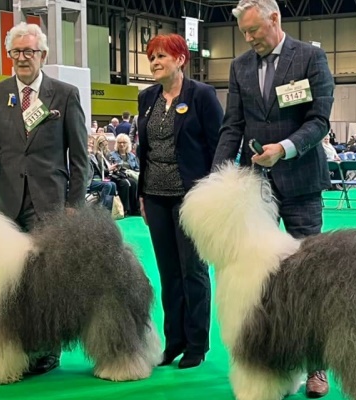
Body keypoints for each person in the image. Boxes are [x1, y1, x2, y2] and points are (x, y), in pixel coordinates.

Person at [211, 0, 334, 397]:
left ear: (274, 19)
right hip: (256, 190)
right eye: (244, 33)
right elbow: (233, 125)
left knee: (308, 279)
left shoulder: (310, 57)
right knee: (258, 282)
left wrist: (284, 148)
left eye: (254, 30)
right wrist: (217, 178)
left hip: (301, 185)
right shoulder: (240, 67)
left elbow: (319, 120)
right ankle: (268, 361)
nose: (249, 39)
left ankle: (315, 367)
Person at [0, 22, 89, 376]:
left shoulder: (64, 94)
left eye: (29, 51)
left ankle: (48, 350)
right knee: (9, 283)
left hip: (50, 205)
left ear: (43, 55)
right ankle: (15, 347)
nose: (22, 58)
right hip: (6, 205)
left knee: (46, 282)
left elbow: (80, 158)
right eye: (16, 52)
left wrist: (74, 205)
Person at [137, 33, 223, 369]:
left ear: (181, 59)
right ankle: (173, 341)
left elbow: (218, 147)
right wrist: (142, 195)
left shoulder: (202, 95)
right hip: (155, 197)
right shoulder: (147, 98)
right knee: (168, 272)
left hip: (192, 199)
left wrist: (213, 195)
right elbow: (145, 151)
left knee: (193, 271)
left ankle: (196, 344)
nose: (155, 63)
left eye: (162, 56)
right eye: (152, 58)